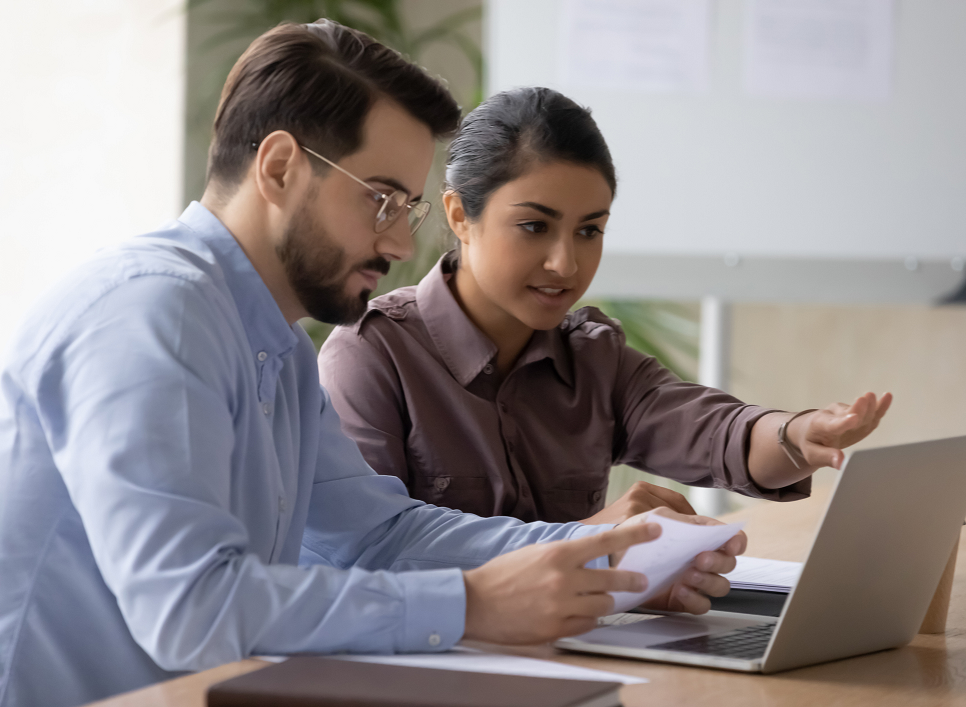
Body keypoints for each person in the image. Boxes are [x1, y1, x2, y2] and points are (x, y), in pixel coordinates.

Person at [0, 22, 741, 707]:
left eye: (408, 208)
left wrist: (600, 561)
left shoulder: (277, 341)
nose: (398, 245)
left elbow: (378, 534)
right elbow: (190, 609)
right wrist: (471, 603)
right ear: (281, 167)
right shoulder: (153, 311)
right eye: (381, 200)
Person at [318, 87, 893, 526]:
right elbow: (373, 549)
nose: (565, 264)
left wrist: (796, 434)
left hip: (579, 657)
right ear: (459, 215)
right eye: (534, 226)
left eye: (590, 231)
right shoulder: (372, 356)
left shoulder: (594, 354)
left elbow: (711, 430)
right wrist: (590, 545)